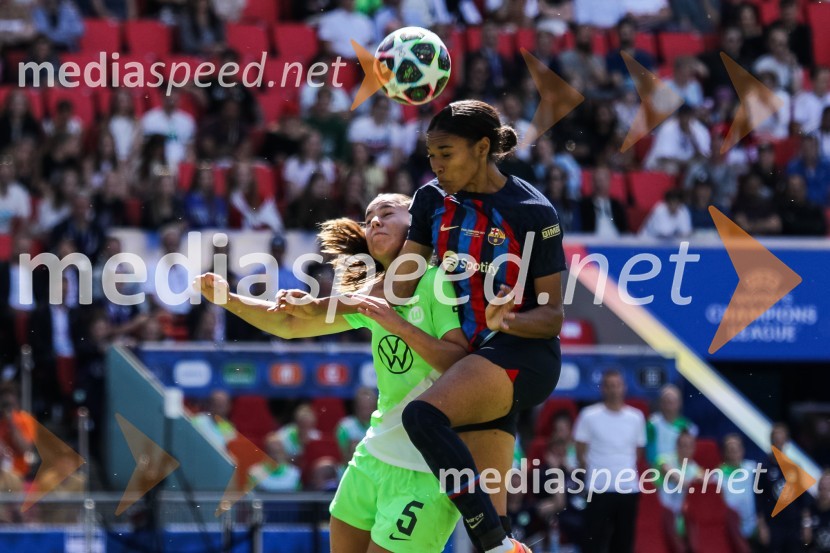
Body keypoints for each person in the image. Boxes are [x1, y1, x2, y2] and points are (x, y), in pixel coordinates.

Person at [195, 193, 517, 552]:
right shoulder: (370, 294)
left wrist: (397, 325)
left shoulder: (435, 281)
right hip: (371, 458)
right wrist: (228, 299)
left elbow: (460, 364)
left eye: (387, 212)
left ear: (416, 226)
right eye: (368, 218)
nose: (374, 221)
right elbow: (289, 324)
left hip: (426, 471)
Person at [386, 99, 566, 553]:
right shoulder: (431, 199)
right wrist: (344, 289)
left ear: (482, 148)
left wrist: (509, 319)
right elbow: (399, 287)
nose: (436, 165)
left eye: (446, 153)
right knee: (495, 524)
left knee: (422, 416)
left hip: (523, 356)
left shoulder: (533, 210)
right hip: (475, 364)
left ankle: (494, 540)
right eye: (431, 155)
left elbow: (552, 317)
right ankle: (499, 541)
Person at [573, 370, 646, 553]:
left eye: (617, 385)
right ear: (603, 388)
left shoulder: (636, 417)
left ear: (624, 387)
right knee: (592, 541)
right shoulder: (589, 416)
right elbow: (580, 450)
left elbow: (638, 451)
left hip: (628, 488)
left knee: (623, 542)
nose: (614, 390)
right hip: (598, 488)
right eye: (609, 386)